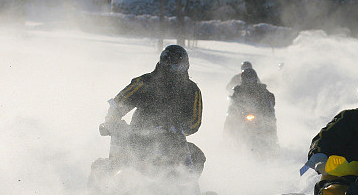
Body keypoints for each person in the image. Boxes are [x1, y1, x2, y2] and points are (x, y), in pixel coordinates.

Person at [103, 44, 205, 174]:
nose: (172, 69)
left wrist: (176, 128)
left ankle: (188, 190)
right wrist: (112, 121)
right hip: (139, 136)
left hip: (172, 141)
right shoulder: (145, 82)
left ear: (185, 65)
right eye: (168, 64)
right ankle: (109, 186)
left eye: (176, 65)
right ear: (162, 63)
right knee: (120, 160)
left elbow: (194, 122)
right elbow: (120, 102)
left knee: (196, 157)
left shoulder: (192, 90)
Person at [224, 68, 277, 143]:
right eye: (247, 78)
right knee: (230, 118)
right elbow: (233, 101)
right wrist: (234, 106)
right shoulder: (238, 90)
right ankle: (227, 140)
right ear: (243, 79)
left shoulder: (261, 89)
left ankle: (273, 142)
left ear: (255, 78)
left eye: (251, 78)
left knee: (270, 121)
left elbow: (270, 98)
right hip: (242, 114)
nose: (249, 81)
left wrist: (267, 108)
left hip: (259, 114)